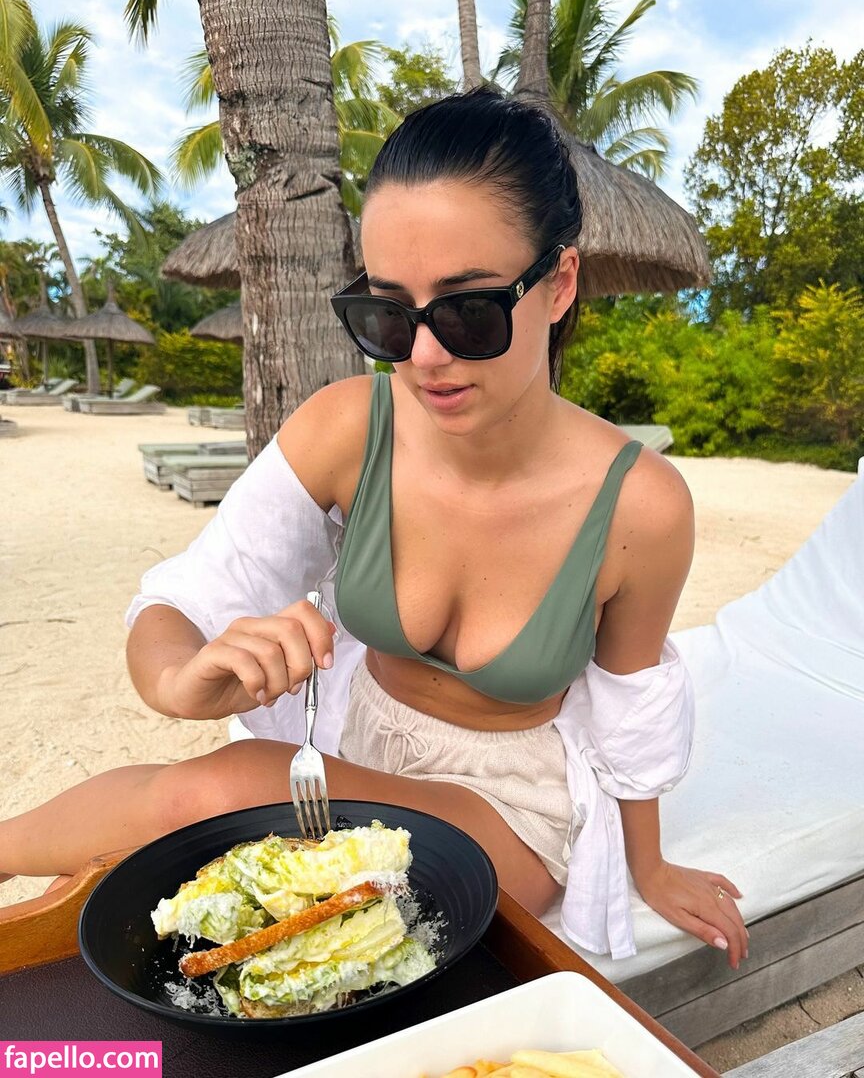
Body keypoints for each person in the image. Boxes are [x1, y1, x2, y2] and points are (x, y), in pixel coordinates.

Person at [0, 87, 747, 968]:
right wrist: (178, 681)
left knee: (232, 806)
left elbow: (631, 710)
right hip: (358, 744)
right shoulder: (351, 429)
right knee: (221, 886)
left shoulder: (639, 507)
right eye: (389, 314)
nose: (424, 357)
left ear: (560, 283)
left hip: (507, 805)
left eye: (468, 311)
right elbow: (193, 594)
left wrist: (649, 867)